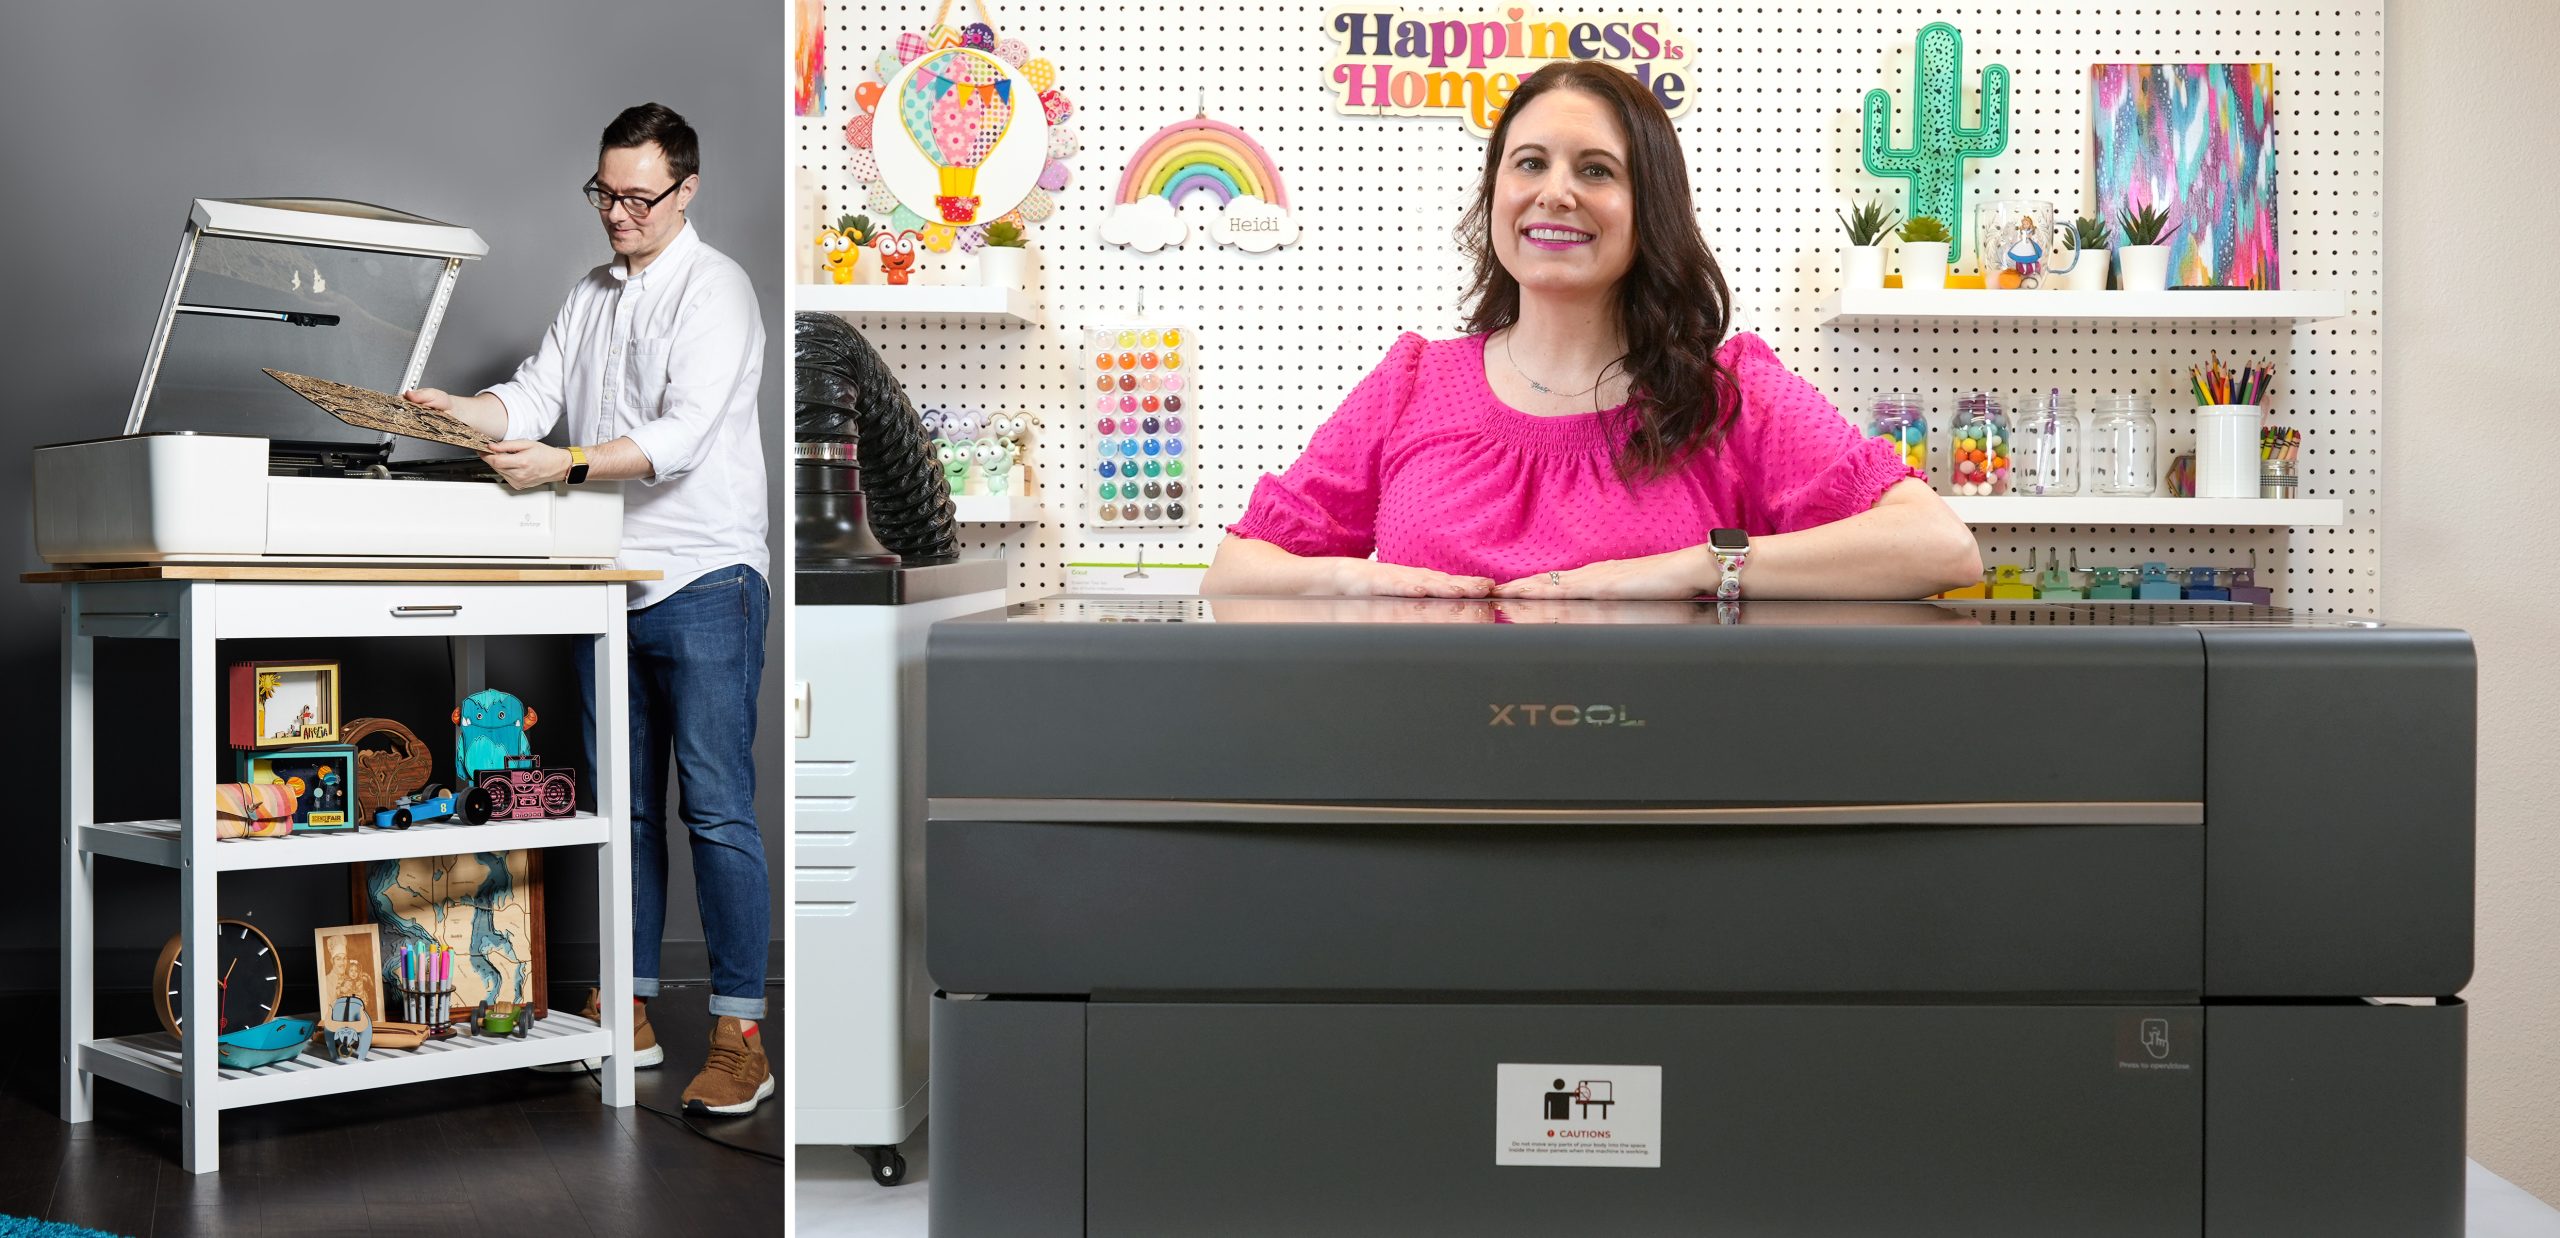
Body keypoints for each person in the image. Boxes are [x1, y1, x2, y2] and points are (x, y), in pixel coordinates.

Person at [1201, 62, 1981, 601]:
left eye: (1597, 171)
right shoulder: (1412, 382)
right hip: (1430, 778)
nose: (1556, 194)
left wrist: (1693, 571)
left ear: (1651, 207)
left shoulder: (1728, 392)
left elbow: (1941, 548)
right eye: (1529, 163)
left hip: (1660, 795)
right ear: (1495, 195)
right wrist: (1359, 580)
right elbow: (1234, 573)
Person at [402, 102, 773, 1117]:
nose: (617, 213)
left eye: (638, 197)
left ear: (685, 190)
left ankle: (742, 1031)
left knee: (718, 809)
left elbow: (686, 434)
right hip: (608, 581)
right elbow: (529, 397)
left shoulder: (720, 289)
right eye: (603, 193)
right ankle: (632, 1010)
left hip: (706, 581)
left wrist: (562, 462)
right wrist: (455, 409)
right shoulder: (592, 294)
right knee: (626, 811)